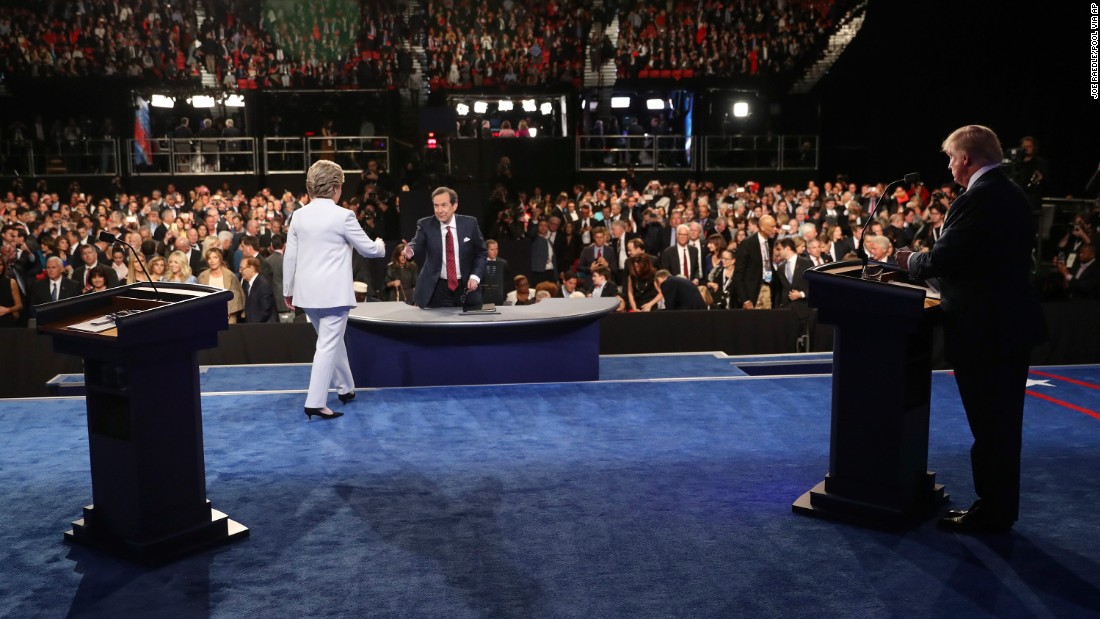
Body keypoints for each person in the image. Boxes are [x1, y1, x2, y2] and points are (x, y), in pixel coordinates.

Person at [897, 124, 1048, 534]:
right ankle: (999, 508)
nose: (949, 166)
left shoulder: (978, 198)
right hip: (1008, 327)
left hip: (986, 331)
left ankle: (992, 512)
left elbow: (946, 259)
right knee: (1002, 427)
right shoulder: (1012, 192)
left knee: (990, 427)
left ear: (965, 158)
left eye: (950, 158)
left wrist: (908, 260)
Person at [284, 160, 387, 420]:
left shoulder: (299, 215)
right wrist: (381, 244)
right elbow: (369, 250)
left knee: (332, 340)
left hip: (307, 295)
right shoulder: (343, 216)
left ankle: (346, 388)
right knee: (328, 345)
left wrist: (288, 290)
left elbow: (290, 257)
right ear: (335, 188)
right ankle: (315, 402)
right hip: (333, 295)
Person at [403, 187, 488, 308]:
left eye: (444, 205)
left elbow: (481, 253)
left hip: (466, 287)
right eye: (436, 206)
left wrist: (475, 277)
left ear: (454, 206)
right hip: (437, 289)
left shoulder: (470, 224)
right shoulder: (425, 224)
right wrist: (410, 250)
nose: (439, 210)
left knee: (468, 326)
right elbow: (416, 242)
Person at [733, 214, 777, 309]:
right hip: (752, 292)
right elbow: (738, 274)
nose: (775, 229)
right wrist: (745, 299)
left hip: (768, 288)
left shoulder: (770, 242)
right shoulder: (747, 244)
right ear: (762, 227)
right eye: (772, 226)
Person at [197, 247, 245, 323]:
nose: (212, 261)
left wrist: (228, 313)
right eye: (209, 258)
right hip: (207, 315)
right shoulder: (202, 276)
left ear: (220, 259)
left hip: (228, 316)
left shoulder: (230, 275)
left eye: (215, 257)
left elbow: (236, 297)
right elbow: (199, 297)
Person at [239, 257, 277, 323]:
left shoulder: (262, 285)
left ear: (252, 269)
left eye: (242, 268)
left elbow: (265, 309)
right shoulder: (249, 284)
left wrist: (254, 324)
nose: (240, 271)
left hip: (263, 327)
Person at [0, 258, 24, 327]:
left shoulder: (11, 282)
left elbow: (19, 305)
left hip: (7, 321)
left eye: (0, 264)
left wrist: (7, 310)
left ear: (4, 266)